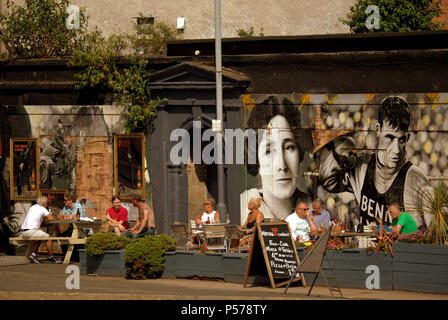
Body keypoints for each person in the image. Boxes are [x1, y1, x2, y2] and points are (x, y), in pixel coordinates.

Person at [319, 96, 433, 229]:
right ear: (378, 129)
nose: (396, 150)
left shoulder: (414, 179)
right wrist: (340, 153)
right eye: (390, 138)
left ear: (407, 137)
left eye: (401, 140)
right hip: (365, 247)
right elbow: (328, 181)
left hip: (395, 249)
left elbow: (422, 235)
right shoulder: (363, 165)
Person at [241, 97, 312, 223]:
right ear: (256, 160)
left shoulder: (311, 206)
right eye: (269, 150)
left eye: (289, 147)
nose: (281, 165)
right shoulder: (243, 205)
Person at [20, 196, 60, 263]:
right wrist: (45, 218)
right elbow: (51, 218)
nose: (47, 205)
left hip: (24, 232)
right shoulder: (42, 208)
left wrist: (42, 219)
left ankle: (33, 254)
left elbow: (36, 217)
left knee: (40, 237)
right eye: (47, 203)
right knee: (49, 238)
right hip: (31, 231)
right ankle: (51, 257)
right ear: (44, 204)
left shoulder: (33, 207)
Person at [59, 191, 85, 261]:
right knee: (61, 236)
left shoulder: (77, 206)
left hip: (81, 228)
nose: (64, 202)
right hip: (72, 227)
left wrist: (66, 216)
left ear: (70, 200)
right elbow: (60, 215)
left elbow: (70, 217)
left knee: (71, 236)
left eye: (65, 200)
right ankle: (67, 256)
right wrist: (66, 216)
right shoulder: (66, 207)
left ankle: (74, 257)